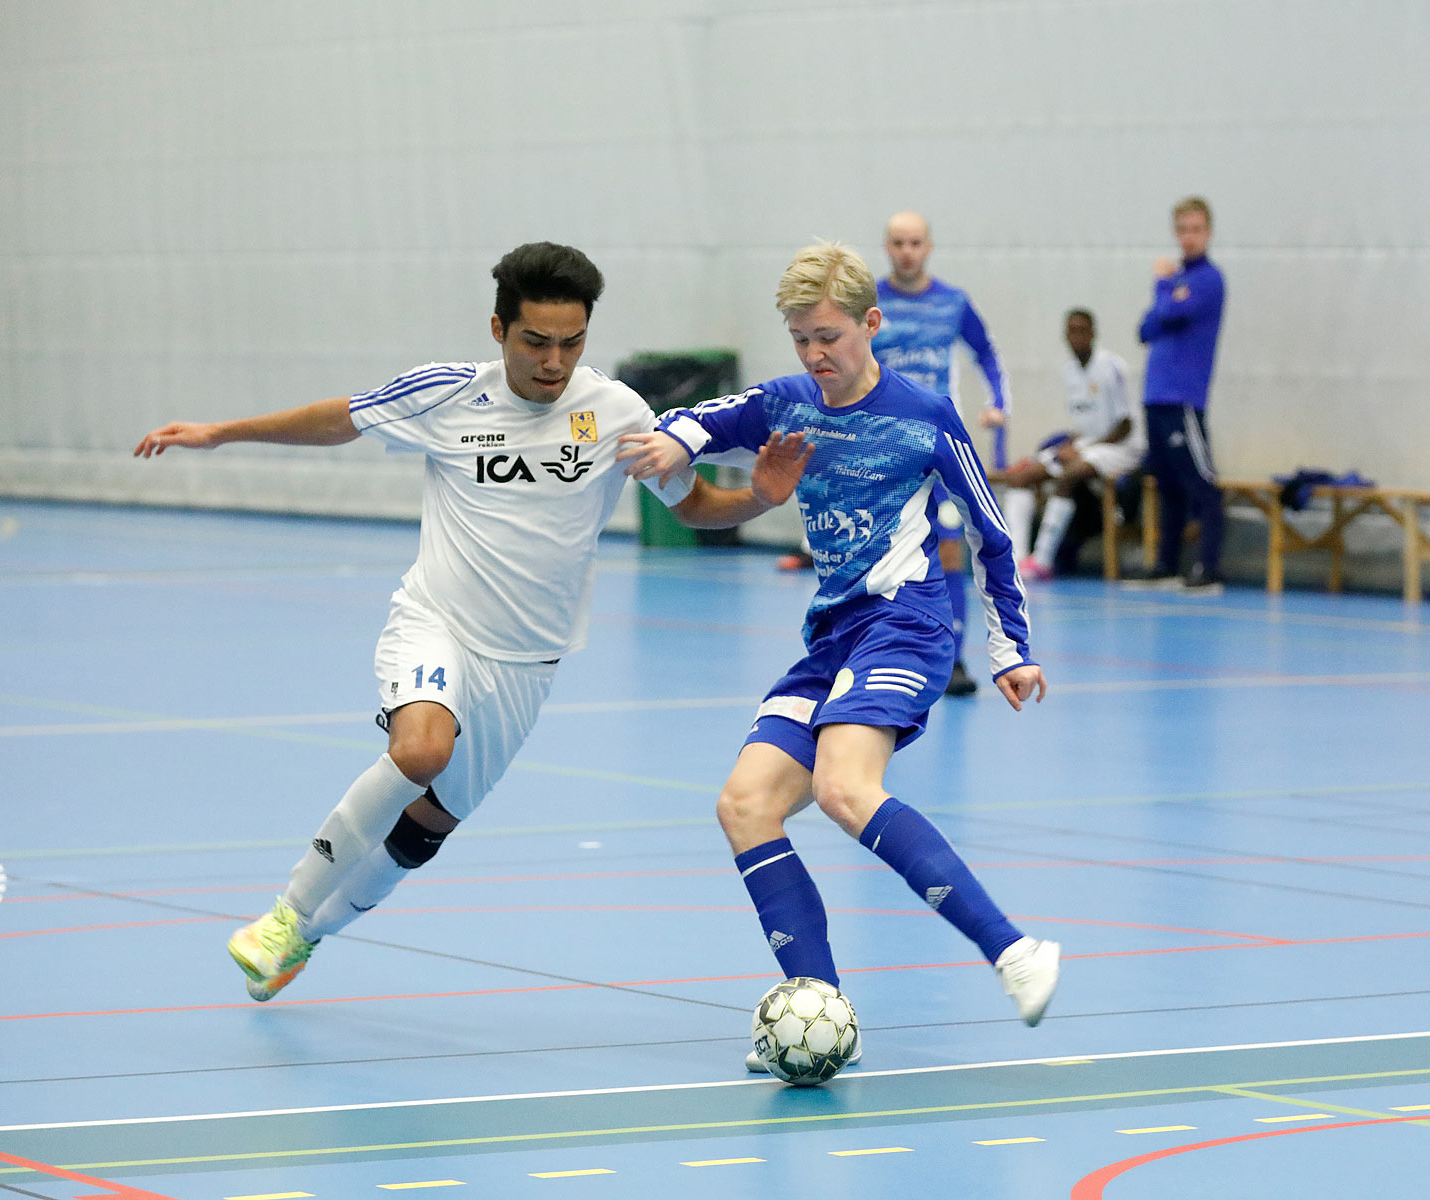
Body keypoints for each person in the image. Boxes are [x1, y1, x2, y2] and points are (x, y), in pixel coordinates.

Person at [133, 242, 813, 1002]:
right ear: (498, 330)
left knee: (422, 831)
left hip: (527, 664)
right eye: (535, 342)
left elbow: (693, 507)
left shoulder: (618, 413)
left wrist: (761, 497)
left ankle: (307, 939)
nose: (553, 361)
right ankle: (285, 916)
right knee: (421, 750)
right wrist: (221, 432)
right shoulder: (448, 396)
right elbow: (343, 419)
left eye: (571, 342)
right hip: (438, 624)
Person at [617, 240, 1062, 1072]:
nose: (815, 354)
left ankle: (1014, 951)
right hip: (833, 636)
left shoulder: (925, 416)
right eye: (799, 339)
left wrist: (1010, 648)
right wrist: (675, 444)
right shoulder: (787, 402)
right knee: (746, 804)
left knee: (843, 787)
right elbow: (703, 420)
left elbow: (995, 534)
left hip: (910, 621)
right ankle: (820, 1007)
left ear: (870, 324)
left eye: (828, 336)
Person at [781, 210, 1010, 698]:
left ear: (928, 247)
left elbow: (987, 352)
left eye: (915, 243)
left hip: (934, 445)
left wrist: (998, 403)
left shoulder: (952, 302)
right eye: (898, 243)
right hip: (881, 451)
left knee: (950, 544)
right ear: (888, 249)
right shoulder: (865, 305)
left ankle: (954, 657)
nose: (907, 251)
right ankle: (860, 646)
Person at [994, 308, 1141, 580]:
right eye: (1072, 330)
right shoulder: (1070, 372)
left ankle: (1042, 561)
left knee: (1069, 475)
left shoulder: (1111, 367)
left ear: (1093, 334)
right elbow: (1087, 423)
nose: (1077, 336)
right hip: (1089, 445)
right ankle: (1016, 558)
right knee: (1022, 477)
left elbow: (1124, 427)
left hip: (1121, 448)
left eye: (1082, 330)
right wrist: (1071, 444)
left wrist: (1082, 448)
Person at [1131, 196, 1228, 592]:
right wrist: (1168, 293)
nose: (1189, 238)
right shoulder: (1177, 284)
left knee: (1199, 482)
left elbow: (1168, 315)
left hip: (1183, 396)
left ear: (1208, 233)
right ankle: (1166, 564)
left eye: (1196, 230)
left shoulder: (1207, 280)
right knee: (1166, 484)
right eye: (1183, 230)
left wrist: (1162, 286)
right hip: (1156, 395)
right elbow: (1145, 328)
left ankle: (1209, 567)